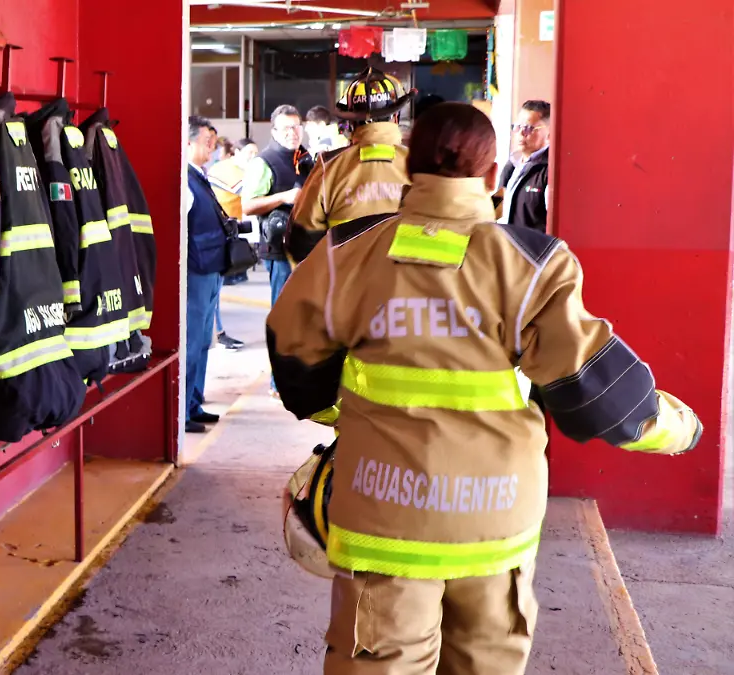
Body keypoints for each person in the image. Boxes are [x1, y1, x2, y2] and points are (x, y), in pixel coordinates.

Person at [268, 102, 702, 675]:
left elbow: (293, 357)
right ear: (492, 175)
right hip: (494, 521)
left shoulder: (345, 257)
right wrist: (682, 431)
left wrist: (345, 419)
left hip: (381, 519)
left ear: (409, 168)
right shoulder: (533, 266)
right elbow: (601, 396)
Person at [287, 67, 414, 264]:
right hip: (404, 288)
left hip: (344, 286)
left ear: (351, 122)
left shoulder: (329, 167)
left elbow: (300, 241)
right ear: (395, 117)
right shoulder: (420, 164)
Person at [242, 105, 305, 394]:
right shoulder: (263, 163)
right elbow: (248, 205)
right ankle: (277, 382)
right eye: (286, 128)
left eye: (296, 126)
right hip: (279, 253)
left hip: (308, 249)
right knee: (283, 315)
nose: (293, 133)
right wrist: (284, 197)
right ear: (274, 132)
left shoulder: (306, 158)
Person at [183, 116, 227, 433]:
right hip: (197, 270)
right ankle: (183, 410)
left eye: (213, 139)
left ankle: (195, 403)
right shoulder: (185, 179)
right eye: (205, 140)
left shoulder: (200, 176)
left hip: (211, 268)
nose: (211, 145)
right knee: (192, 340)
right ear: (188, 142)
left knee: (202, 343)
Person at [208, 138, 260, 351]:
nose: (253, 157)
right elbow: (247, 191)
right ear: (236, 152)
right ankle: (217, 334)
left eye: (255, 153)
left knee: (216, 289)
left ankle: (217, 333)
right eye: (249, 152)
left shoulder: (239, 169)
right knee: (213, 290)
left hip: (229, 234)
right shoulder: (227, 170)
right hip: (219, 235)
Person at [498, 99, 551, 232]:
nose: (521, 133)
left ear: (549, 134)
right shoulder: (512, 164)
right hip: (506, 246)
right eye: (517, 127)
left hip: (532, 249)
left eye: (528, 128)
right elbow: (499, 206)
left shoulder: (550, 170)